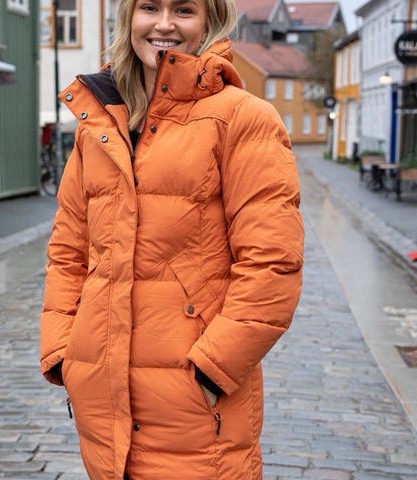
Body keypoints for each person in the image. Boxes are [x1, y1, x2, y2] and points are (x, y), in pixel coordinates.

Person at [40, 0, 304, 478]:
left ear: (209, 22)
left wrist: (212, 369)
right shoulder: (99, 123)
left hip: (195, 406)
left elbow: (272, 263)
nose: (163, 24)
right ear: (128, 18)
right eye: (149, 7)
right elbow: (68, 251)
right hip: (101, 398)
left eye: (183, 10)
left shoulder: (243, 118)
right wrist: (63, 351)